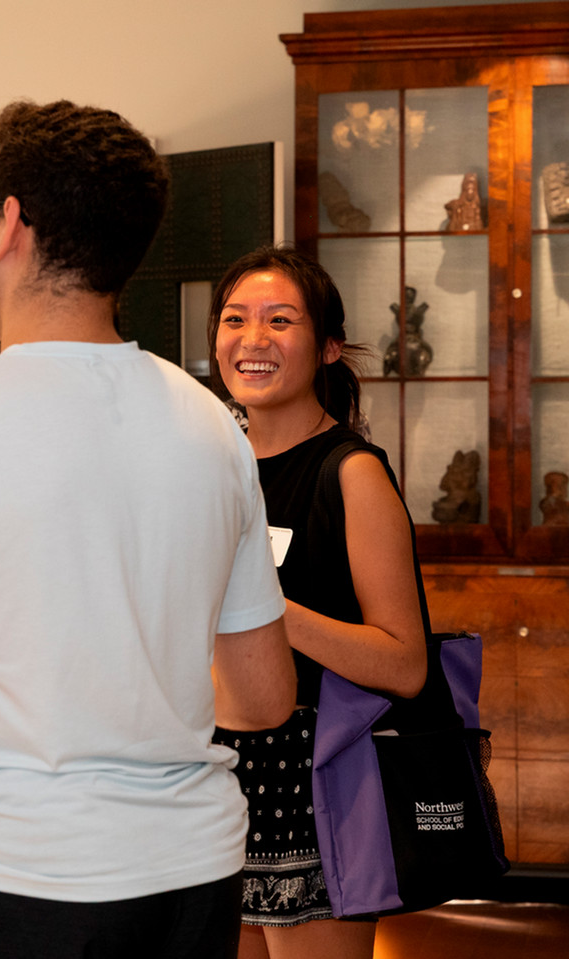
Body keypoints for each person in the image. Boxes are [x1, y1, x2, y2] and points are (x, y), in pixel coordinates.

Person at [0, 99, 297, 959]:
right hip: (192, 873)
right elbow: (264, 697)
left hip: (19, 878)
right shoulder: (215, 426)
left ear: (8, 228)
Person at [207, 246, 428, 959]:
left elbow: (404, 663)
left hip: (315, 779)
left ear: (329, 346)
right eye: (235, 318)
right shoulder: (212, 467)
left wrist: (261, 601)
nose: (253, 339)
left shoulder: (351, 472)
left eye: (281, 321)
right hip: (211, 774)